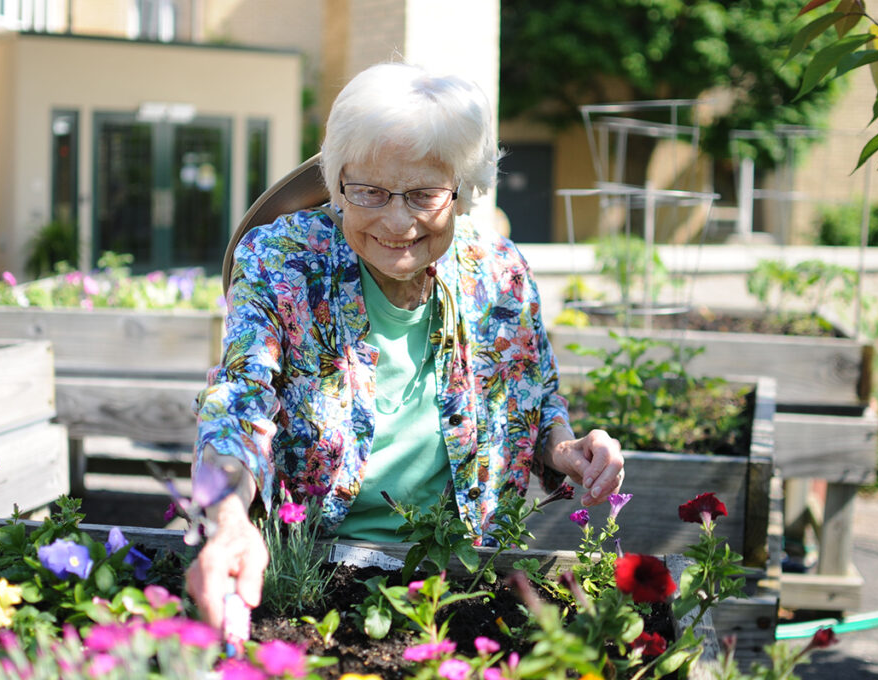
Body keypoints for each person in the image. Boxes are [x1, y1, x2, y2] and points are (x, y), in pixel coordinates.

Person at [186, 62, 624, 628]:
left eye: (423, 194)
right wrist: (226, 519)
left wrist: (564, 447)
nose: (397, 222)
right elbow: (241, 401)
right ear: (335, 181)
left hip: (465, 581)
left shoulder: (499, 271)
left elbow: (534, 400)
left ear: (463, 190)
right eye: (368, 191)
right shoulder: (282, 260)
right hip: (313, 573)